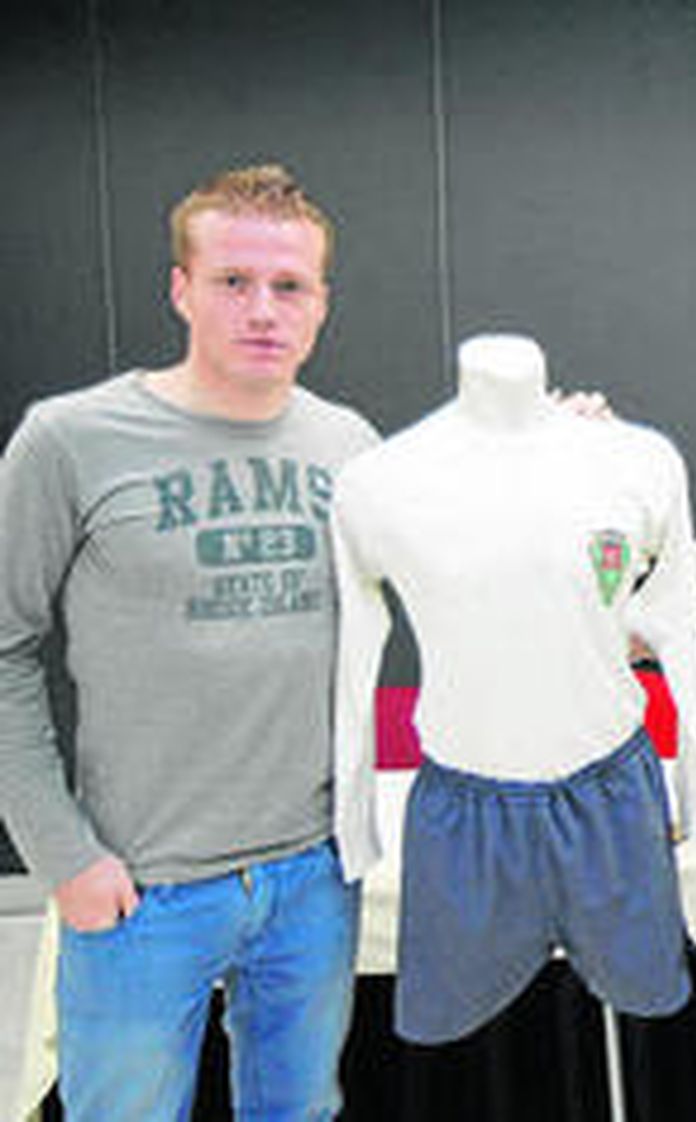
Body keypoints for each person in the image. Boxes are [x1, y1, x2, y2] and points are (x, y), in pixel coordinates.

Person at [0, 164, 377, 1120]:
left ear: (322, 303)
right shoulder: (70, 440)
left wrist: (567, 454)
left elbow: (460, 577)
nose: (263, 309)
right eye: (232, 282)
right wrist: (62, 857)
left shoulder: (350, 448)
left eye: (289, 287)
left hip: (309, 880)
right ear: (181, 288)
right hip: (141, 891)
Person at [331, 332, 696, 1044]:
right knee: (453, 1046)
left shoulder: (638, 462)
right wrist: (355, 826)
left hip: (612, 793)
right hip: (464, 806)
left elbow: (676, 629)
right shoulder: (379, 483)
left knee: (646, 1015)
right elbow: (353, 662)